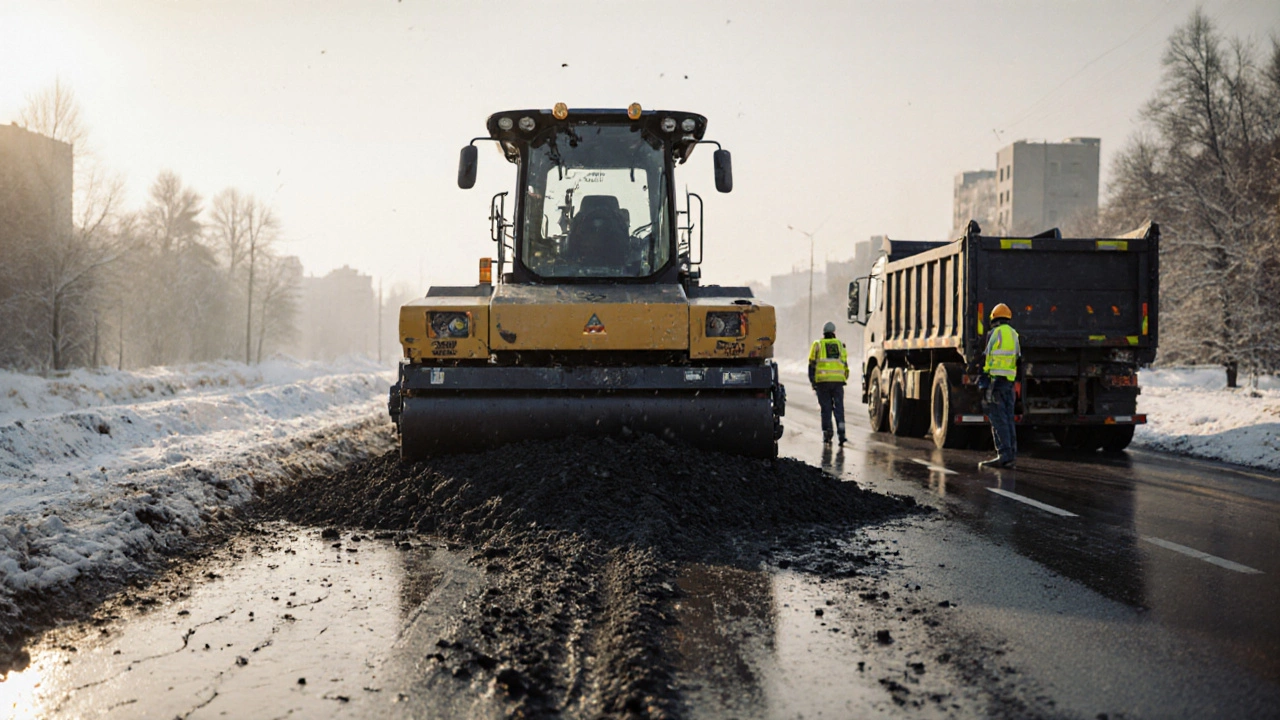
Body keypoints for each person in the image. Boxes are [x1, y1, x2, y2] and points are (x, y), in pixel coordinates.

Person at [978, 303, 1021, 469]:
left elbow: (987, 357)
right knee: (1008, 419)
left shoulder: (994, 334)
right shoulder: (1014, 334)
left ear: (994, 319)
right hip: (1009, 382)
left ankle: (1003, 455)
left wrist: (983, 380)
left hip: (995, 382)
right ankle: (1011, 455)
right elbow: (1017, 358)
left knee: (997, 418)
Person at [809, 321, 849, 444]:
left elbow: (811, 364)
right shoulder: (840, 345)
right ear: (833, 332)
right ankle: (842, 435)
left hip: (822, 382)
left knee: (826, 409)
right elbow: (845, 364)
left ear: (824, 332)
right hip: (838, 382)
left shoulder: (817, 345)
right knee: (839, 409)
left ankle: (827, 434)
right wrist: (844, 377)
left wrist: (813, 381)